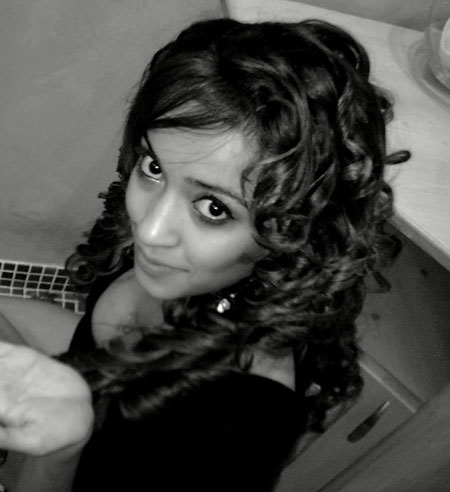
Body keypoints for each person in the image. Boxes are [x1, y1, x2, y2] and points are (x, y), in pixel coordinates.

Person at [0, 17, 409, 492]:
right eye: (154, 167)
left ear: (290, 230)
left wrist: (59, 447)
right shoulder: (187, 272)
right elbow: (95, 347)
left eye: (214, 208)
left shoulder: (235, 428)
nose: (149, 229)